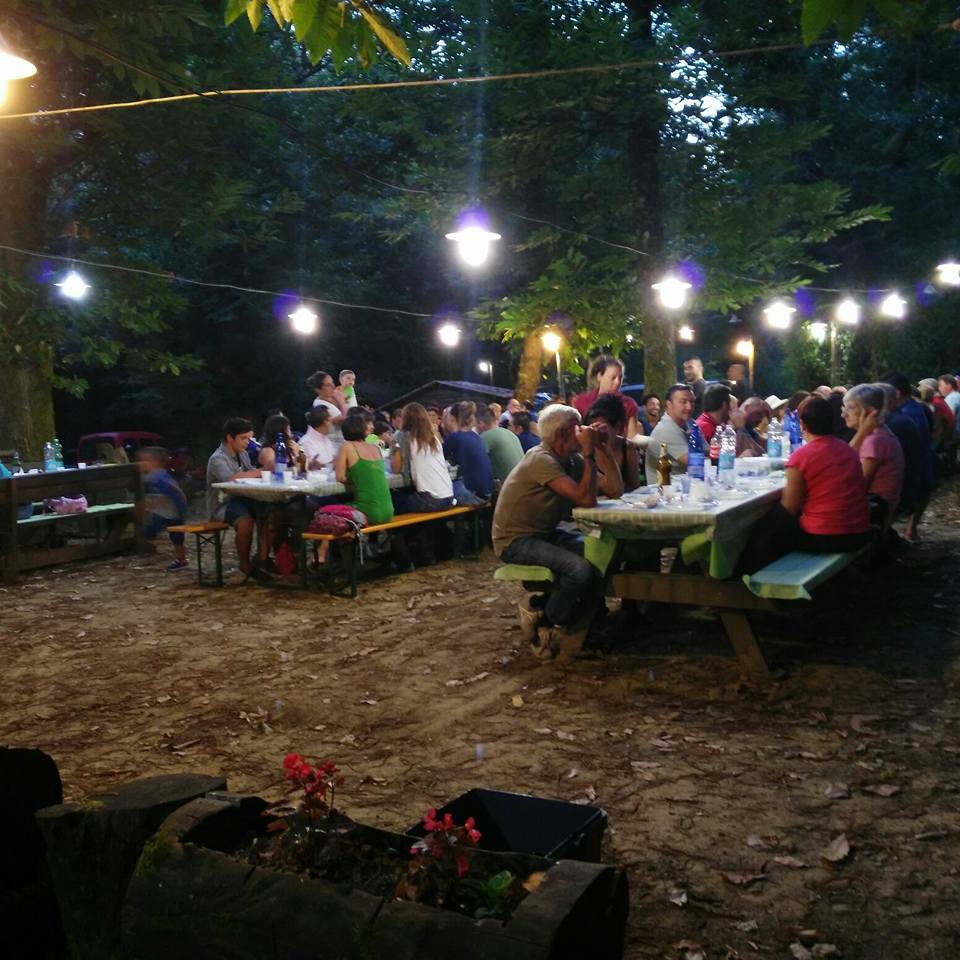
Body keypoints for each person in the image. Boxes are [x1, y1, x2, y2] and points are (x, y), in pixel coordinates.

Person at [492, 404, 606, 644]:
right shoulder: (541, 459)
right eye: (578, 427)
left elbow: (612, 489)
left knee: (600, 553)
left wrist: (603, 447)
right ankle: (545, 613)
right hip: (515, 541)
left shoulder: (569, 459)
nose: (583, 431)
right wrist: (589, 452)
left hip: (544, 534)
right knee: (579, 570)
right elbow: (587, 499)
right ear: (563, 433)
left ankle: (582, 617)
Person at [741, 397, 870, 571]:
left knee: (764, 532)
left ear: (801, 424)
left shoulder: (801, 457)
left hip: (827, 536)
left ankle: (753, 575)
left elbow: (790, 506)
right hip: (859, 532)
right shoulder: (848, 449)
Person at [205, 417, 267, 579]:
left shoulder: (243, 454)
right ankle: (245, 564)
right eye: (243, 438)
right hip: (223, 504)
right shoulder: (218, 458)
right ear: (230, 438)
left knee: (271, 514)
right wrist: (263, 470)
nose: (247, 442)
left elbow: (250, 473)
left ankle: (263, 558)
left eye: (249, 438)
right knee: (245, 522)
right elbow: (230, 479)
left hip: (243, 499)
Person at [881, 371, 936, 540]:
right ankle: (909, 531)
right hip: (924, 474)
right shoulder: (920, 408)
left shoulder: (902, 418)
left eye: (881, 395)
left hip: (910, 481)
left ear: (896, 394)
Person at [842, 383, 904, 529]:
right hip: (879, 509)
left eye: (850, 408)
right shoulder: (880, 434)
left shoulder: (874, 441)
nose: (843, 414)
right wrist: (862, 431)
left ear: (869, 411)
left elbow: (857, 485)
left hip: (875, 514)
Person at [390, 402, 454, 513]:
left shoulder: (402, 436)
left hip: (431, 499)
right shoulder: (434, 438)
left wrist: (394, 445)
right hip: (448, 496)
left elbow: (396, 469)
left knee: (391, 500)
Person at [137, 447, 188, 571]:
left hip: (171, 510)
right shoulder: (149, 475)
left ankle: (181, 559)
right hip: (161, 510)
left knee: (176, 536)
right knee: (157, 532)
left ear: (156, 462)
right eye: (140, 460)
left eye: (145, 461)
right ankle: (179, 558)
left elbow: (174, 489)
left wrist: (181, 505)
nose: (141, 463)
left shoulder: (157, 476)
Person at [572, 355, 640, 439]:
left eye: (620, 378)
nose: (617, 382)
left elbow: (632, 438)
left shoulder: (628, 404)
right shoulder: (581, 401)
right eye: (613, 378)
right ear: (599, 376)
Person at [584, 393, 638, 492]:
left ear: (617, 427)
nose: (596, 433)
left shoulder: (627, 447)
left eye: (601, 428)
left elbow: (634, 487)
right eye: (592, 428)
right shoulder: (585, 449)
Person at [442, 401, 494, 501]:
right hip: (487, 493)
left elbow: (439, 460)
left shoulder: (454, 437)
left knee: (439, 492)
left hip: (473, 494)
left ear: (452, 419)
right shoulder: (475, 436)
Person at [645, 383, 694, 480]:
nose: (689, 407)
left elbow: (708, 451)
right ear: (669, 404)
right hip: (666, 488)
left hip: (687, 483)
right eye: (683, 402)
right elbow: (697, 462)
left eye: (692, 402)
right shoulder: (665, 430)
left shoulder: (690, 423)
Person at [476, 404, 523, 484]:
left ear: (481, 423)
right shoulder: (510, 433)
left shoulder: (486, 436)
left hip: (506, 485)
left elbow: (475, 461)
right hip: (521, 482)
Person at [306, 370, 349, 446]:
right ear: (318, 389)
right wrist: (342, 402)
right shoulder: (321, 406)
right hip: (335, 445)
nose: (333, 386)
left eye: (332, 382)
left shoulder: (334, 398)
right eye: (328, 385)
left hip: (344, 442)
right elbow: (347, 421)